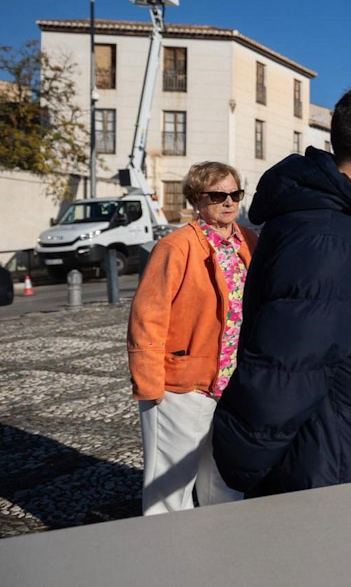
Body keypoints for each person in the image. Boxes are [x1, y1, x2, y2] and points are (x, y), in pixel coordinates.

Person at [213, 83, 351, 497]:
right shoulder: (331, 240)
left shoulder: (350, 227)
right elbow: (283, 375)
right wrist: (241, 470)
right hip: (333, 479)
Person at [127, 161, 256, 514]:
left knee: (225, 480)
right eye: (218, 195)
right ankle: (167, 560)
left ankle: (218, 555)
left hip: (233, 382)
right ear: (196, 200)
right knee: (170, 486)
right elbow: (147, 317)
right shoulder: (176, 246)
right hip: (181, 385)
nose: (228, 202)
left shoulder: (249, 241)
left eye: (235, 193)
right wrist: (149, 383)